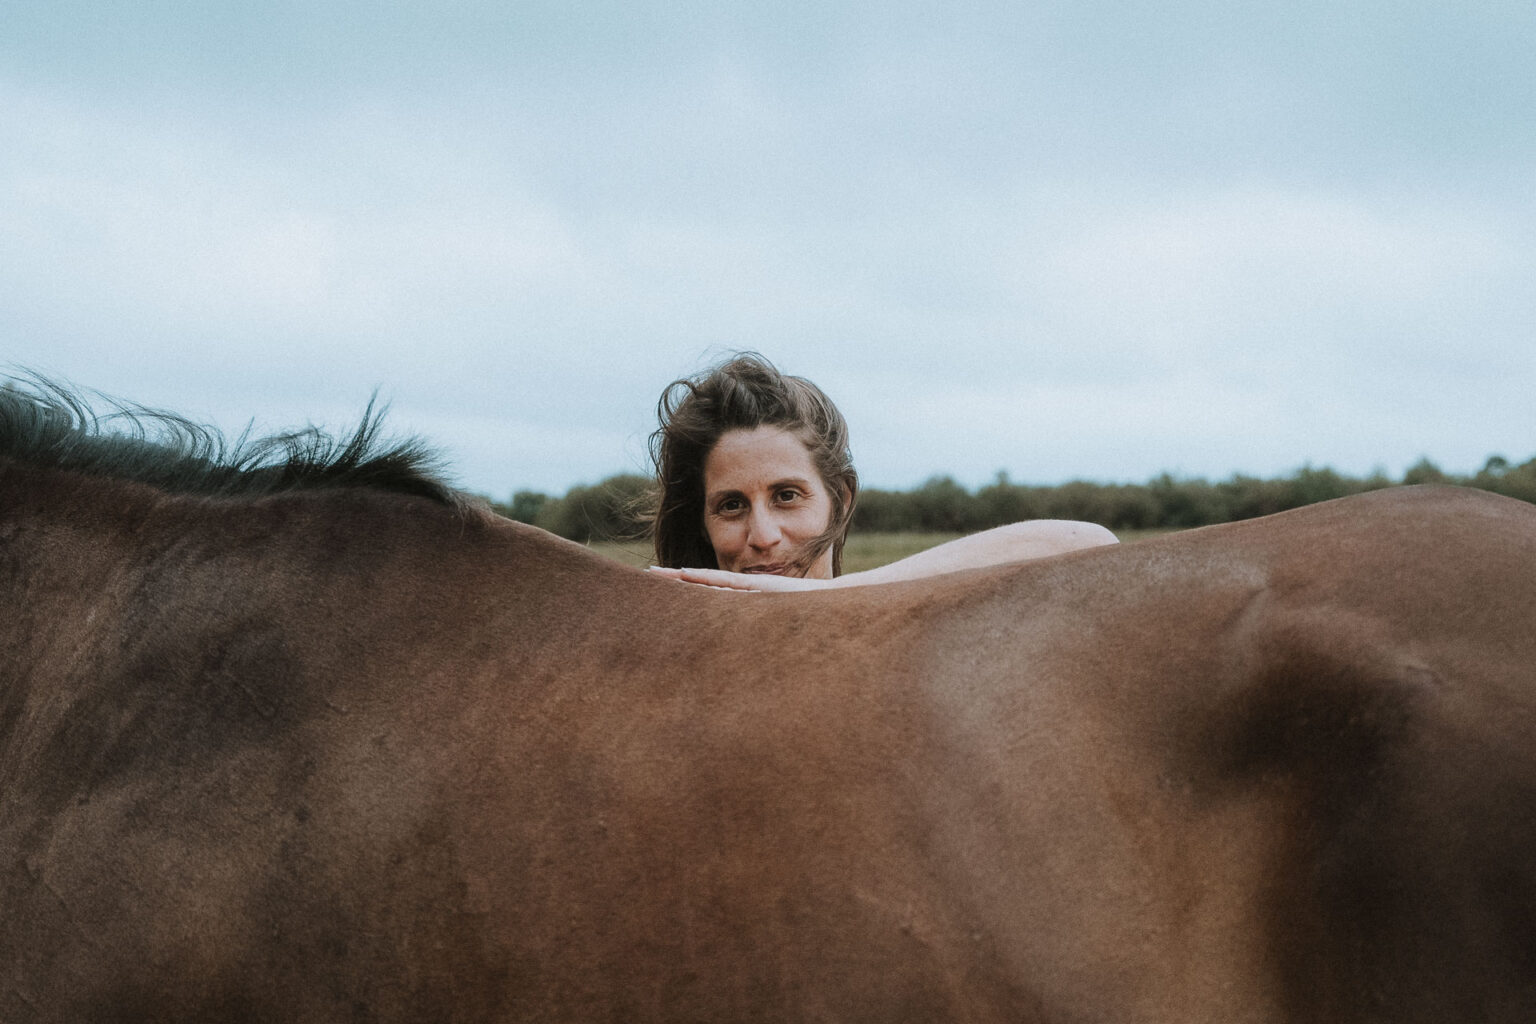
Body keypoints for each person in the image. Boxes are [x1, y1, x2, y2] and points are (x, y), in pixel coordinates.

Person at [644, 354, 1117, 592]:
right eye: (731, 506)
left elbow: (1090, 545)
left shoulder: (894, 627)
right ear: (702, 524)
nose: (763, 536)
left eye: (786, 495)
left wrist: (833, 597)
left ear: (841, 499)